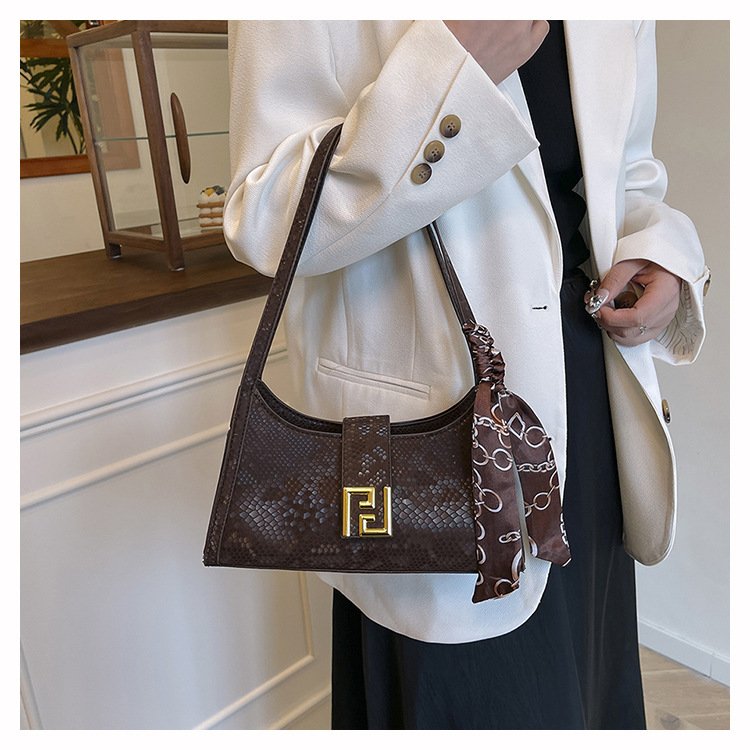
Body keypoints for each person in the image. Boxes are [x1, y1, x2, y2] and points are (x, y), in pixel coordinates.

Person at [222, 20, 710, 730]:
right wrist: (452, 77)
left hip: (593, 402)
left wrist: (662, 255)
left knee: (590, 693)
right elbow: (266, 219)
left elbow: (628, 174)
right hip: (426, 445)